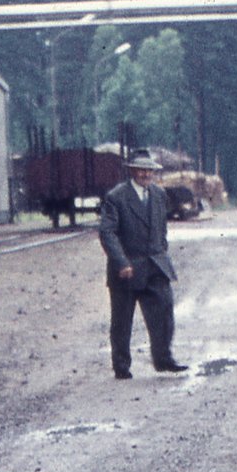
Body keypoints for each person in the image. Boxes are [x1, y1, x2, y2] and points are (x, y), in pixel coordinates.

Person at [99, 149, 187, 379]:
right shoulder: (116, 197)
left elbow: (162, 227)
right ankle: (121, 366)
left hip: (155, 265)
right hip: (127, 269)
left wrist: (161, 251)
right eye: (141, 169)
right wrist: (121, 262)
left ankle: (164, 359)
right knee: (122, 321)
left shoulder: (158, 194)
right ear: (132, 171)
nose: (145, 174)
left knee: (164, 311)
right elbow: (107, 233)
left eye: (149, 170)